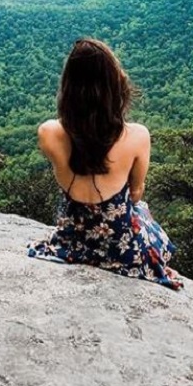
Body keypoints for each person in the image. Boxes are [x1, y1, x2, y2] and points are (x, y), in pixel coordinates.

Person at [27, 37, 183, 290]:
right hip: (120, 249)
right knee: (142, 210)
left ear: (68, 87)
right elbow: (135, 194)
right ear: (114, 86)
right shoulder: (138, 136)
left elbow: (81, 146)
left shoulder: (48, 133)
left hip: (72, 240)